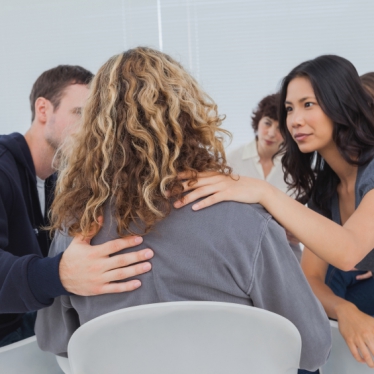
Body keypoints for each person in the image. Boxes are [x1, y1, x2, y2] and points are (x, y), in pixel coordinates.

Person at [35, 47, 331, 372]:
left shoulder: (76, 229)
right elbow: (313, 348)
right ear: (188, 117)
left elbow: (53, 341)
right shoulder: (247, 224)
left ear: (96, 125)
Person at [176, 55, 374, 369]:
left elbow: (349, 251)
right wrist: (345, 310)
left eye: (308, 104)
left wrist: (263, 192)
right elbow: (310, 279)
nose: (294, 120)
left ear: (342, 103)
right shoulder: (326, 185)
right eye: (290, 108)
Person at [0, 65, 154, 347]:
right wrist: (59, 274)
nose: (90, 127)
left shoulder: (65, 178)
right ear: (43, 110)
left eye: (94, 116)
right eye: (80, 113)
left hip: (35, 325)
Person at [228, 93, 301, 260]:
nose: (271, 133)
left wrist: (301, 233)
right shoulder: (231, 160)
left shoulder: (296, 168)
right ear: (258, 122)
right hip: (241, 247)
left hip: (284, 248)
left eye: (280, 128)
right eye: (267, 123)